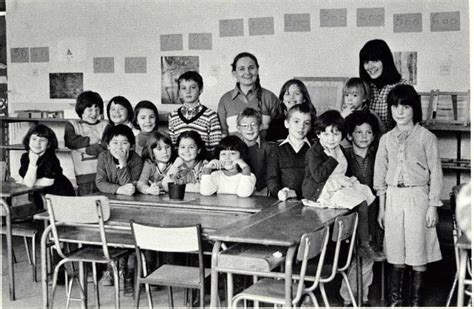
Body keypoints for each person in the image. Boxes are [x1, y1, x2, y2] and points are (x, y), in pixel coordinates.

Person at [374, 84, 443, 306]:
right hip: (394, 198)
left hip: (418, 199)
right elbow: (380, 176)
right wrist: (383, 208)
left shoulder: (426, 137)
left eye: (405, 106)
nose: (399, 112)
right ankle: (396, 302)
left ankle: (415, 302)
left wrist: (432, 205)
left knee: (417, 249)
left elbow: (436, 173)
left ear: (414, 108)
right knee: (396, 251)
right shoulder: (386, 139)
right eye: (394, 106)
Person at [339, 111, 385, 306]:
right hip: (351, 214)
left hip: (374, 212)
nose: (364, 137)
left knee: (368, 256)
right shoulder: (344, 157)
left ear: (374, 135)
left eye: (368, 132)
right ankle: (348, 297)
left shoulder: (378, 157)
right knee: (353, 256)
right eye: (359, 132)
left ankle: (362, 297)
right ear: (349, 135)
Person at [302, 110, 375, 207]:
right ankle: (362, 221)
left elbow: (344, 171)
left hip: (339, 185)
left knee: (366, 192)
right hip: (323, 191)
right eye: (326, 134)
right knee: (360, 202)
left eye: (336, 134)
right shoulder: (314, 152)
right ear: (318, 134)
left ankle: (369, 222)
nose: (331, 139)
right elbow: (319, 176)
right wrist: (332, 159)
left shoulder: (340, 149)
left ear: (342, 135)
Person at [217, 52, 279, 138]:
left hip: (265, 151)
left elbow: (278, 133)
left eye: (251, 68)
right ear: (234, 73)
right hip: (235, 151)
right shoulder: (225, 100)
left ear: (257, 70)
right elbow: (223, 134)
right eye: (241, 69)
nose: (247, 72)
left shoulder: (270, 98)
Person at [19, 124, 75, 207]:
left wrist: (32, 166)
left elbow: (46, 182)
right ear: (28, 141)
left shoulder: (51, 158)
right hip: (41, 194)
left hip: (60, 193)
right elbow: (28, 181)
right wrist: (32, 163)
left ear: (48, 144)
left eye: (42, 140)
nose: (37, 143)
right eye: (34, 139)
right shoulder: (25, 157)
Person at [64, 90, 108, 195]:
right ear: (81, 109)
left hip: (105, 176)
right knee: (86, 206)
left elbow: (105, 147)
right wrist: (90, 140)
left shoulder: (106, 125)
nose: (94, 113)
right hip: (84, 177)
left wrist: (82, 148)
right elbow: (70, 141)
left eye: (97, 108)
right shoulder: (72, 125)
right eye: (90, 109)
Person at [267, 104, 313, 201]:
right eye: (296, 121)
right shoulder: (276, 150)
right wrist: (279, 192)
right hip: (283, 201)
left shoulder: (314, 150)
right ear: (286, 123)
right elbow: (272, 179)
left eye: (307, 123)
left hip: (309, 202)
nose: (301, 127)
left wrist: (296, 194)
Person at [168, 71, 222, 153]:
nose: (188, 92)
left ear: (200, 89)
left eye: (192, 87)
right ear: (179, 92)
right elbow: (174, 147)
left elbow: (215, 148)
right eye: (183, 88)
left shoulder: (210, 116)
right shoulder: (173, 116)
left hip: (204, 163)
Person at [359, 39, 408, 130]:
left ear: (385, 61)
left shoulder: (403, 86)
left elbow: (411, 123)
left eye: (375, 61)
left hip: (394, 141)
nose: (370, 67)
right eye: (366, 62)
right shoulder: (361, 87)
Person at [96, 124, 143, 195]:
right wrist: (118, 189)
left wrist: (122, 164)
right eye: (115, 143)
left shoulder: (136, 160)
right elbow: (100, 182)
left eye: (124, 143)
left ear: (131, 147)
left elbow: (129, 188)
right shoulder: (103, 156)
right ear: (108, 145)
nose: (119, 147)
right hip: (109, 196)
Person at [236, 108, 274, 194]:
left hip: (263, 193)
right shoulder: (234, 148)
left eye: (253, 125)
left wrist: (262, 192)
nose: (249, 129)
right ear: (238, 129)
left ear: (260, 126)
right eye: (245, 126)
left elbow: (272, 175)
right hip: (239, 192)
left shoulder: (269, 148)